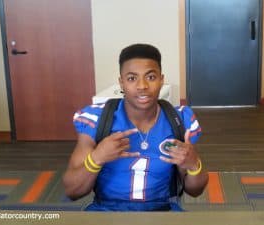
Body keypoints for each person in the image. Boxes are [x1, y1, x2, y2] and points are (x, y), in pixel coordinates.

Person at [63, 43, 208, 211]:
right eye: (132, 78)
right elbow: (72, 191)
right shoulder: (97, 118)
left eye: (151, 77)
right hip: (106, 212)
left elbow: (196, 191)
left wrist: (194, 165)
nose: (142, 86)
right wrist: (96, 158)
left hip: (162, 212)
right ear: (121, 83)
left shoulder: (180, 120)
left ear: (161, 80)